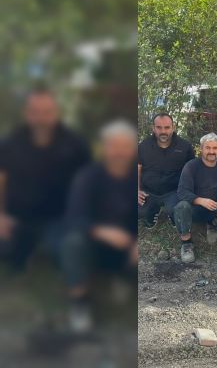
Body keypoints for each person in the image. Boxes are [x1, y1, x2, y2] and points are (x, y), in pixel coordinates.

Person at [59, 120, 139, 332]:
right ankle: (79, 303)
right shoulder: (88, 176)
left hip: (127, 247)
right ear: (104, 148)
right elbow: (74, 216)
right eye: (114, 145)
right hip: (93, 244)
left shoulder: (136, 179)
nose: (119, 151)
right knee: (72, 242)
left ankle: (121, 279)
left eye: (125, 146)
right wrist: (100, 231)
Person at [0, 87, 91, 270]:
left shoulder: (75, 144)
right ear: (26, 113)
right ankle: (22, 250)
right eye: (35, 112)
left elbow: (89, 183)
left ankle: (41, 248)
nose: (41, 119)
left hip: (59, 219)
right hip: (18, 218)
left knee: (68, 251)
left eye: (47, 112)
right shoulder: (11, 143)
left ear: (56, 113)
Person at [174, 133, 217, 263]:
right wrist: (201, 200)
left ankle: (213, 225)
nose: (211, 151)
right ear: (201, 149)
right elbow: (182, 191)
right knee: (181, 207)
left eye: (215, 148)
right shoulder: (191, 166)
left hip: (215, 209)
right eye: (208, 148)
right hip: (195, 209)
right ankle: (186, 243)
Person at [137, 113, 194, 229]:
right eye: (159, 127)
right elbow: (137, 168)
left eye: (167, 127)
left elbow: (191, 172)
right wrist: (136, 190)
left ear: (173, 127)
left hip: (174, 191)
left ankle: (172, 213)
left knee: (178, 210)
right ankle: (152, 211)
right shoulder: (143, 146)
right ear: (153, 128)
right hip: (148, 191)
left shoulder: (185, 146)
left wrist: (188, 192)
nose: (163, 131)